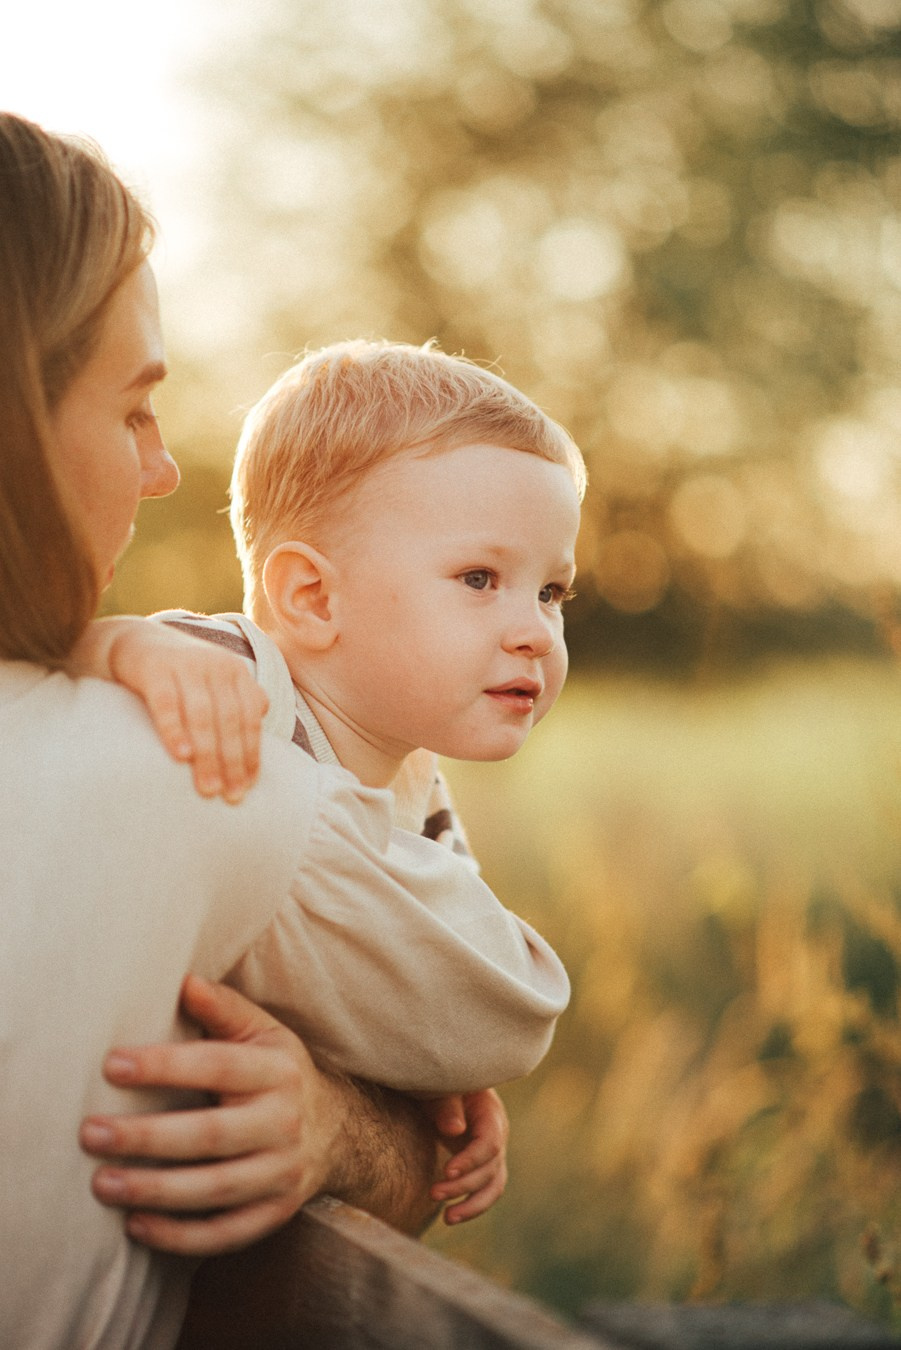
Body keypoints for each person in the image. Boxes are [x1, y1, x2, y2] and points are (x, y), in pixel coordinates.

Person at [0, 112, 540, 1350]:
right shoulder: (189, 758)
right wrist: (349, 1124)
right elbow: (502, 1009)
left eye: (544, 591)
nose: (159, 472)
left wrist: (95, 639)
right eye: (133, 412)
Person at [72, 342, 585, 1208]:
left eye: (551, 592)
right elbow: (42, 675)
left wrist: (443, 1079)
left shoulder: (417, 783)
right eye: (479, 578)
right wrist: (117, 643)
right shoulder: (229, 671)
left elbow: (439, 966)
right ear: (311, 597)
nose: (535, 631)